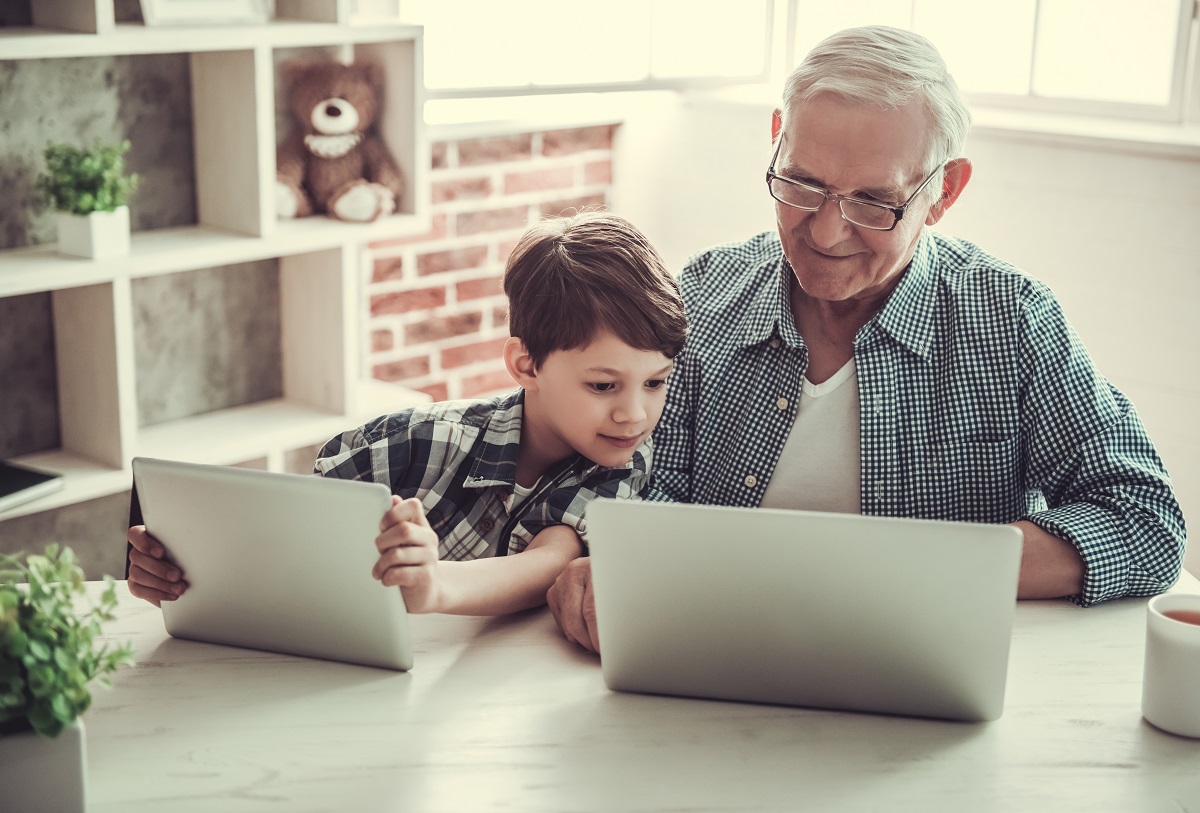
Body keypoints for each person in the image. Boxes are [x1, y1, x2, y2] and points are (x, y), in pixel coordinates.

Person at [548, 25, 1187, 653]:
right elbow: (625, 482)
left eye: (874, 202)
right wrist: (598, 557)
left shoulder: (1011, 318)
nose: (826, 234)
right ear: (777, 141)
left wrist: (912, 571)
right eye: (802, 184)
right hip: (710, 659)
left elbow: (1144, 520)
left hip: (918, 674)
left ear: (945, 191)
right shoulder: (704, 294)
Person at [126, 211, 688, 616]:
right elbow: (287, 546)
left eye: (656, 381)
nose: (634, 414)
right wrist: (183, 572)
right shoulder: (409, 444)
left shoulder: (622, 466)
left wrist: (434, 585)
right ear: (526, 365)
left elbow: (545, 564)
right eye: (603, 385)